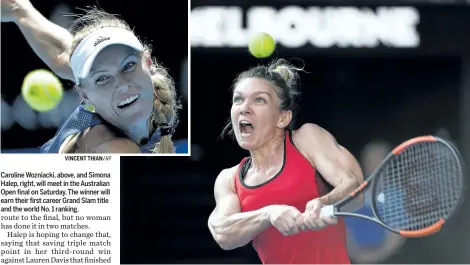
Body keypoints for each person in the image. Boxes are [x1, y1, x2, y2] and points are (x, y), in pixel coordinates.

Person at [208, 59, 365, 264]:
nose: (244, 108)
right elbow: (222, 232)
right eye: (238, 99)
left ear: (283, 118)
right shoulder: (229, 179)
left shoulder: (306, 140)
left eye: (259, 100)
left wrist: (323, 203)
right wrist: (269, 214)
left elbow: (355, 189)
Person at [1, 0, 181, 153]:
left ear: (148, 62)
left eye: (128, 65)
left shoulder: (88, 79)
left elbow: (63, 53)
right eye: (102, 78)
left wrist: (20, 10)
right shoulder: (109, 145)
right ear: (84, 95)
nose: (121, 84)